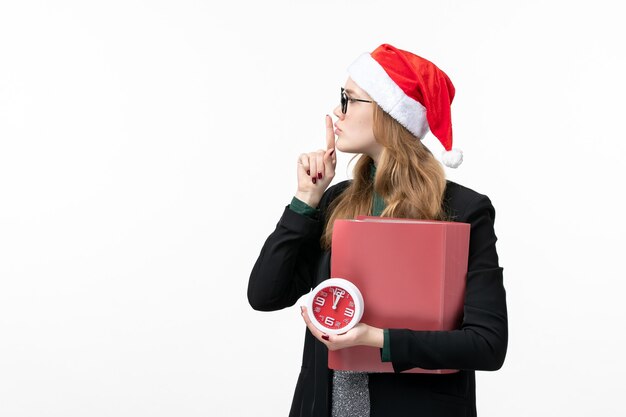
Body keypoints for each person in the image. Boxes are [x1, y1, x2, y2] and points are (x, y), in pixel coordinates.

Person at [247, 43, 507, 417]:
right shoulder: (336, 201)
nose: (338, 111)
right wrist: (305, 200)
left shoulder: (464, 211)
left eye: (349, 99)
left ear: (389, 113)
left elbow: (487, 344)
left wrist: (376, 339)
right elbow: (264, 294)